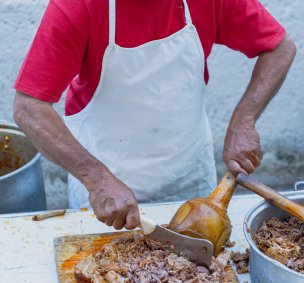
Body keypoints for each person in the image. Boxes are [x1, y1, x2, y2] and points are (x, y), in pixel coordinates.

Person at [13, 0, 296, 231]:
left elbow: (279, 47)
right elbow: (29, 107)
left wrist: (243, 121)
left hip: (192, 186)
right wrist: (96, 179)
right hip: (108, 202)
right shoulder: (78, 6)